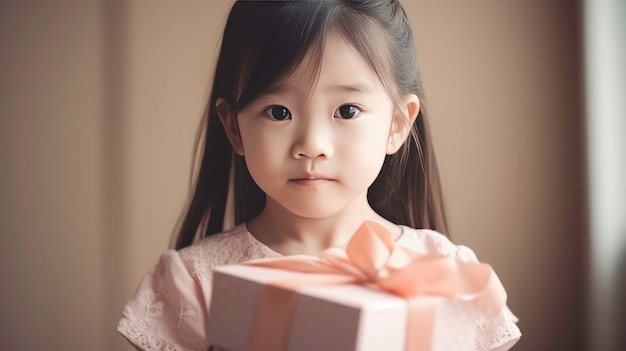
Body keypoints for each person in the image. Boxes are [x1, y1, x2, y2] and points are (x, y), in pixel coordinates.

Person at [117, 1, 521, 350]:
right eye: (279, 112)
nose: (312, 145)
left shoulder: (441, 270)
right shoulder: (196, 284)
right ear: (235, 128)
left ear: (398, 124)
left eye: (346, 111)